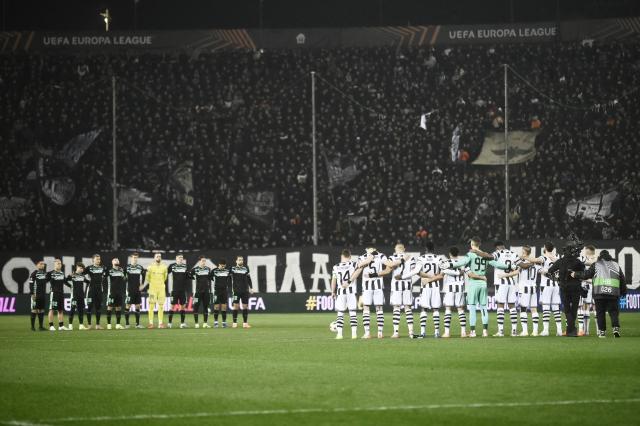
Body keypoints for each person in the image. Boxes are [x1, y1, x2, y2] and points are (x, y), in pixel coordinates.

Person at [443, 237, 509, 337]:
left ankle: (473, 332)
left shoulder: (470, 254)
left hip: (473, 283)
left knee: (472, 308)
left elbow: (461, 263)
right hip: (483, 283)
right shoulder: (485, 255)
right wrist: (509, 266)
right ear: (480, 244)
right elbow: (497, 264)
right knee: (483, 308)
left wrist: (448, 264)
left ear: (472, 244)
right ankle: (485, 332)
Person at [572, 250, 627, 338]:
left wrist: (575, 274)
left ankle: (602, 332)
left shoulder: (596, 264)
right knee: (613, 312)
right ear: (609, 256)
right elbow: (622, 279)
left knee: (600, 313)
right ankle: (615, 328)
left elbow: (586, 274)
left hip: (599, 293)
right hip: (613, 293)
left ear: (600, 257)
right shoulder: (616, 265)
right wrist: (623, 291)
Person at [547, 242, 585, 337]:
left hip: (564, 287)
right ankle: (571, 330)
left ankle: (570, 330)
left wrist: (557, 278)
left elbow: (550, 271)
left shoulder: (560, 261)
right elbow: (583, 271)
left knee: (567, 309)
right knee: (574, 309)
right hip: (576, 287)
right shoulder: (577, 261)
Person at [330, 249, 365, 339]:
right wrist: (350, 280)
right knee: (353, 313)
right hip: (351, 292)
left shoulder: (336, 267)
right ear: (350, 256)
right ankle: (354, 334)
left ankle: (339, 334)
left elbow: (333, 280)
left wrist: (332, 291)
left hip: (340, 293)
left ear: (341, 256)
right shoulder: (353, 264)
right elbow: (361, 267)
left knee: (340, 314)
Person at [387, 243, 417, 338]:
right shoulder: (410, 258)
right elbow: (413, 271)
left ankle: (396, 332)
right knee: (408, 308)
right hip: (407, 284)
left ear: (395, 249)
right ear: (404, 249)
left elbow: (389, 268)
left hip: (396, 285)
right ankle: (411, 332)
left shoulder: (392, 257)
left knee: (396, 308)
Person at [358, 248, 388, 339]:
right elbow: (388, 266)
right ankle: (380, 333)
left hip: (367, 287)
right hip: (378, 286)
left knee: (366, 308)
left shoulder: (362, 257)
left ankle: (367, 333)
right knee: (379, 309)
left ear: (367, 249)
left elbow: (359, 265)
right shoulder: (381, 255)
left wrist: (368, 259)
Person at [492, 241, 521, 337]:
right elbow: (518, 269)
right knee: (512, 306)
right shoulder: (513, 254)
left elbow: (490, 258)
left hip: (501, 282)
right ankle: (514, 331)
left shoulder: (497, 253)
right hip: (512, 282)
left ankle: (500, 331)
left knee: (500, 306)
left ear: (497, 247)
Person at [535, 242, 562, 336]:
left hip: (546, 285)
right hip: (556, 285)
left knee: (546, 307)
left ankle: (546, 331)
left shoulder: (543, 257)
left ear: (545, 248)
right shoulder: (558, 257)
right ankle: (559, 330)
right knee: (555, 308)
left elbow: (539, 269)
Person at [142, 252, 168, 329]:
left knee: (161, 306)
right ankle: (151, 323)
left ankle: (160, 323)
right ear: (154, 258)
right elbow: (147, 278)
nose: (158, 258)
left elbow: (165, 278)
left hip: (161, 289)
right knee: (151, 306)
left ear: (161, 258)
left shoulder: (164, 267)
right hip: (152, 289)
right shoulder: (150, 267)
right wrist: (153, 284)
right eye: (157, 256)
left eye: (159, 256)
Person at [578, 245, 597, 336]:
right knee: (596, 309)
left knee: (586, 308)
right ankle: (598, 331)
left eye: (586, 251)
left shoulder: (585, 260)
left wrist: (582, 279)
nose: (584, 252)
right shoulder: (598, 260)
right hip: (596, 286)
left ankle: (586, 331)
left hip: (587, 286)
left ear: (588, 251)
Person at [189, 256, 213, 328]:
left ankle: (205, 323)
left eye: (205, 261)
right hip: (198, 292)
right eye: (202, 261)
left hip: (206, 292)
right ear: (199, 261)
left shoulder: (208, 269)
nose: (204, 262)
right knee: (196, 307)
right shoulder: (195, 270)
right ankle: (196, 324)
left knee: (206, 307)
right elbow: (189, 275)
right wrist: (192, 277)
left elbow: (210, 278)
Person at [167, 253, 189, 329]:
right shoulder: (172, 266)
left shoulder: (185, 266)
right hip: (175, 290)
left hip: (182, 290)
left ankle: (182, 323)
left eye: (182, 257)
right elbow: (165, 274)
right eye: (179, 257)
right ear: (176, 258)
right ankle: (169, 323)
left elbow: (187, 277)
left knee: (183, 307)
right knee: (172, 306)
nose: (181, 259)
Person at [231, 256, 254, 328]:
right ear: (236, 261)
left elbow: (249, 279)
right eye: (239, 260)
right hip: (236, 290)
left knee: (245, 306)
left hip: (245, 290)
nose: (241, 261)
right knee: (236, 306)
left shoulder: (245, 269)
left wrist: (251, 287)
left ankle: (245, 323)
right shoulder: (233, 269)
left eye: (242, 260)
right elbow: (228, 278)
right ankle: (234, 323)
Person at [85, 254, 106, 330]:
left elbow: (106, 275)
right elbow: (81, 274)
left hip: (99, 290)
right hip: (91, 290)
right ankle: (89, 325)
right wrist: (87, 281)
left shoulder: (103, 268)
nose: (98, 260)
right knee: (89, 307)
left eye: (99, 259)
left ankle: (97, 325)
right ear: (93, 260)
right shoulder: (89, 268)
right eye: (97, 259)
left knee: (98, 308)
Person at [125, 253, 145, 329]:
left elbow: (143, 275)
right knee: (128, 305)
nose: (135, 259)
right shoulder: (127, 267)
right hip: (129, 289)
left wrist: (142, 284)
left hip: (137, 289)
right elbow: (124, 276)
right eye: (134, 257)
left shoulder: (140, 267)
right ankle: (127, 324)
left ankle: (137, 324)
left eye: (136, 258)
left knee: (137, 306)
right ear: (131, 258)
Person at [46, 258, 67, 331]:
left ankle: (61, 326)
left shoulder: (62, 273)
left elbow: (65, 281)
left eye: (60, 263)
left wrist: (71, 286)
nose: (59, 265)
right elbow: (44, 280)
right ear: (54, 264)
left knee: (60, 310)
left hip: (61, 293)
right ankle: (51, 326)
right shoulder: (50, 273)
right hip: (54, 293)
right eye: (58, 263)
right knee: (51, 309)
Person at [105, 257, 127, 330]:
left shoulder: (121, 270)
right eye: (114, 260)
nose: (116, 261)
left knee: (118, 308)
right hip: (111, 292)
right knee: (110, 307)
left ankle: (118, 324)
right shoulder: (109, 271)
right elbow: (103, 277)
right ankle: (109, 324)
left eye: (117, 260)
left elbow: (124, 279)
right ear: (112, 262)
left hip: (119, 292)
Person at [65, 263, 88, 330]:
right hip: (74, 295)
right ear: (77, 267)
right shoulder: (72, 275)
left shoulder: (82, 276)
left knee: (81, 310)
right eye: (80, 268)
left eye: (82, 268)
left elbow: (87, 282)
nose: (81, 269)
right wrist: (70, 286)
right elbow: (65, 281)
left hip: (81, 295)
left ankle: (81, 325)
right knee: (72, 309)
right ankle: (70, 325)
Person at [212, 259, 232, 328]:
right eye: (221, 266)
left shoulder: (227, 271)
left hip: (224, 291)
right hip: (217, 291)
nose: (223, 267)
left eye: (224, 266)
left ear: (225, 265)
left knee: (224, 307)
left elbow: (230, 279)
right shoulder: (214, 271)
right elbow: (210, 278)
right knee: (216, 306)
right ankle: (216, 322)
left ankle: (224, 322)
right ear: (219, 265)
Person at [29, 260, 48, 331]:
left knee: (41, 310)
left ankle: (41, 327)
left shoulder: (45, 274)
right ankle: (32, 327)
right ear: (37, 265)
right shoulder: (34, 273)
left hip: (42, 295)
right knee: (34, 310)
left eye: (43, 264)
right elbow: (31, 284)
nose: (42, 265)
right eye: (40, 264)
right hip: (35, 294)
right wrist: (32, 293)